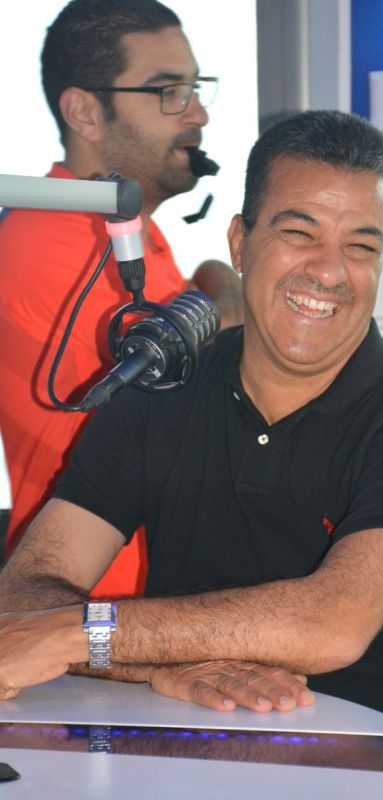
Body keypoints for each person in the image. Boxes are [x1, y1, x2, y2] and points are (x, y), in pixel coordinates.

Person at [0, 110, 383, 727]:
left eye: (361, 246)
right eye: (300, 233)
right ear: (240, 242)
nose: (329, 271)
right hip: (205, 741)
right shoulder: (161, 393)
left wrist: (78, 635)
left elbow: (333, 623)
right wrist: (151, 664)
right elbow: (26, 589)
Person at [0, 0, 242, 597]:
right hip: (94, 611)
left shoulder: (125, 231)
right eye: (168, 92)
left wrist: (218, 280)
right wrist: (227, 300)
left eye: (194, 88)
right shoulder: (55, 241)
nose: (198, 113)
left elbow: (208, 311)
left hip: (144, 604)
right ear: (84, 112)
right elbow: (216, 390)